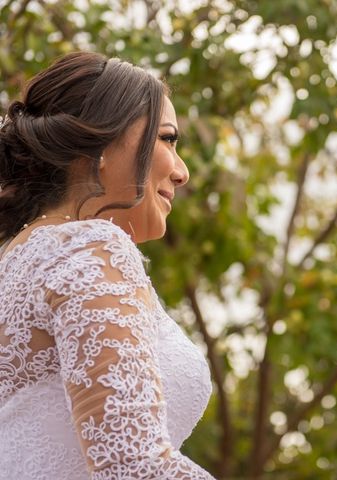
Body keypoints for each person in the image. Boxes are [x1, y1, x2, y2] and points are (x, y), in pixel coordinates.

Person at [0, 52, 216, 479]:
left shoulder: (17, 261)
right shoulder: (87, 248)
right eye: (168, 139)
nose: (182, 172)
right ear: (100, 143)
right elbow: (132, 463)